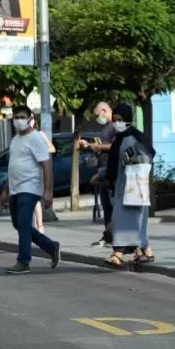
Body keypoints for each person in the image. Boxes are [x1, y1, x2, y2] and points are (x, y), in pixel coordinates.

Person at [0, 105, 60, 274]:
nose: (18, 120)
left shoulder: (35, 138)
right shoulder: (15, 139)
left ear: (30, 118)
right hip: (15, 188)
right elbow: (12, 167)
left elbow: (46, 165)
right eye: (16, 117)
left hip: (30, 187)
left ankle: (23, 261)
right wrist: (5, 191)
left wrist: (48, 191)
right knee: (18, 224)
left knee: (24, 223)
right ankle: (51, 247)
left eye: (21, 117)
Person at [100, 104, 156, 267]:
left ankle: (117, 254)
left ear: (128, 120)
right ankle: (146, 251)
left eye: (120, 120)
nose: (117, 124)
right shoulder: (119, 139)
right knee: (131, 222)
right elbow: (114, 163)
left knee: (126, 221)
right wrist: (104, 175)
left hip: (135, 187)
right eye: (114, 120)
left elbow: (148, 157)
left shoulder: (136, 137)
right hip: (122, 187)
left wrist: (131, 159)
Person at [80, 102, 115, 247]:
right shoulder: (106, 128)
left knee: (112, 205)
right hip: (102, 170)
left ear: (104, 110)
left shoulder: (115, 127)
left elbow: (115, 146)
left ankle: (114, 237)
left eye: (97, 115)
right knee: (106, 205)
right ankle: (108, 236)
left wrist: (99, 146)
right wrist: (88, 145)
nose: (97, 119)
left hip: (109, 170)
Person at [30, 119, 56, 234]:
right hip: (27, 170)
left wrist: (39, 151)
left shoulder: (39, 134)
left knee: (35, 199)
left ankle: (39, 225)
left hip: (38, 169)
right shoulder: (22, 136)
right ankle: (34, 225)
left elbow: (52, 148)